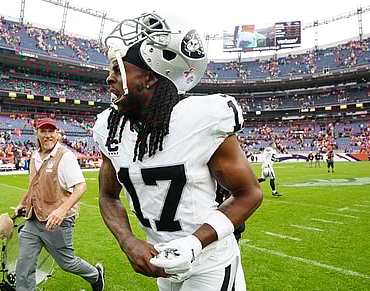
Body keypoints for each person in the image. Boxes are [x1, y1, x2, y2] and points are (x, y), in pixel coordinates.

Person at [93, 12, 262, 291]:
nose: (109, 79)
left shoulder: (201, 119)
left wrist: (195, 243)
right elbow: (108, 196)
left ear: (148, 78)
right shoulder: (110, 129)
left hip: (209, 262)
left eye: (118, 70)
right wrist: (128, 240)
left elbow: (250, 194)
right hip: (163, 261)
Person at [14, 118, 104, 291]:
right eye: (43, 131)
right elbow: (33, 185)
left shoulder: (65, 156)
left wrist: (61, 211)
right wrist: (22, 203)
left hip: (58, 222)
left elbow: (80, 187)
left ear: (57, 134)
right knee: (23, 266)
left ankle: (95, 274)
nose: (47, 135)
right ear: (37, 133)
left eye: (51, 131)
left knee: (67, 263)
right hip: (34, 220)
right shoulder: (34, 156)